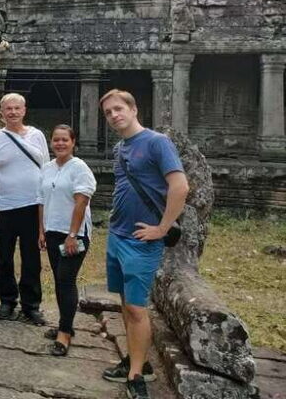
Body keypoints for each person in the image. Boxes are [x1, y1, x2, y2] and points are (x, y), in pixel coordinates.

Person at [100, 89, 188, 399]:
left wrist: (162, 228)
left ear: (133, 109)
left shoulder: (156, 142)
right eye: (108, 113)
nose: (114, 115)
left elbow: (180, 186)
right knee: (126, 304)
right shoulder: (120, 148)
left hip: (141, 240)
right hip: (118, 234)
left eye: (118, 109)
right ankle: (137, 361)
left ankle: (137, 376)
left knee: (137, 308)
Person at [0, 93, 50, 323]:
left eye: (17, 108)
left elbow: (47, 169)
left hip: (33, 205)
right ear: (1, 112)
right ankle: (7, 300)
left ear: (24, 110)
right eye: (8, 109)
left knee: (32, 258)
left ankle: (31, 304)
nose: (13, 112)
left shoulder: (37, 136)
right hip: (5, 206)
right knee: (4, 257)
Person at [37, 125, 97, 356]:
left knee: (66, 279)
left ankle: (64, 334)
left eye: (65, 140)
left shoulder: (79, 168)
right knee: (58, 279)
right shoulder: (47, 168)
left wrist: (72, 235)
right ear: (51, 143)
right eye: (56, 140)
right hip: (52, 231)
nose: (60, 143)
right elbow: (41, 201)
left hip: (74, 235)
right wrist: (41, 230)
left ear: (73, 143)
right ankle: (66, 324)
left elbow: (81, 202)